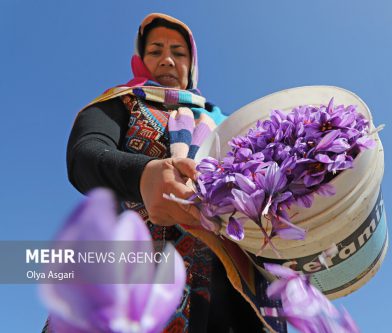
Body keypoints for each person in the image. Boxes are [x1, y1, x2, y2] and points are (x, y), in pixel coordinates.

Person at [42, 13, 288, 333]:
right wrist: (143, 176)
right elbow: (85, 156)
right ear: (141, 61)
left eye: (179, 52)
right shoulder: (123, 103)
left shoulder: (231, 126)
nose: (168, 60)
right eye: (155, 51)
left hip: (230, 298)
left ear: (191, 64)